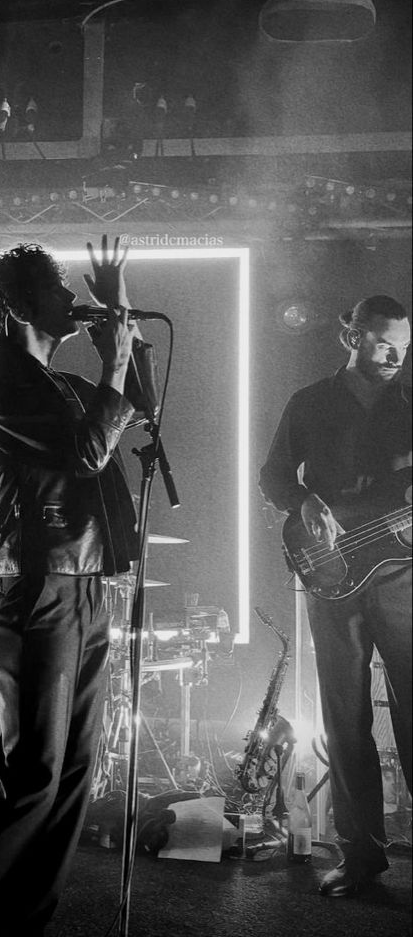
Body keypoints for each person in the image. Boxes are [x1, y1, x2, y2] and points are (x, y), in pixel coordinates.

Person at [0, 236, 154, 937]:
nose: (72, 300)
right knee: (32, 772)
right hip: (37, 586)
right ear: (16, 306)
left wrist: (123, 315)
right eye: (57, 291)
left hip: (88, 582)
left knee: (75, 772)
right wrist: (118, 355)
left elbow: (136, 408)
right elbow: (85, 450)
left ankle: (21, 921)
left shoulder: (63, 385)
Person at [259, 295, 411, 898]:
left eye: (404, 342)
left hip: (403, 574)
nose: (395, 353)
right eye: (381, 341)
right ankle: (363, 858)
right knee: (345, 719)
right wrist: (303, 502)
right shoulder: (310, 402)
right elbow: (273, 475)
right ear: (350, 336)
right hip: (332, 575)